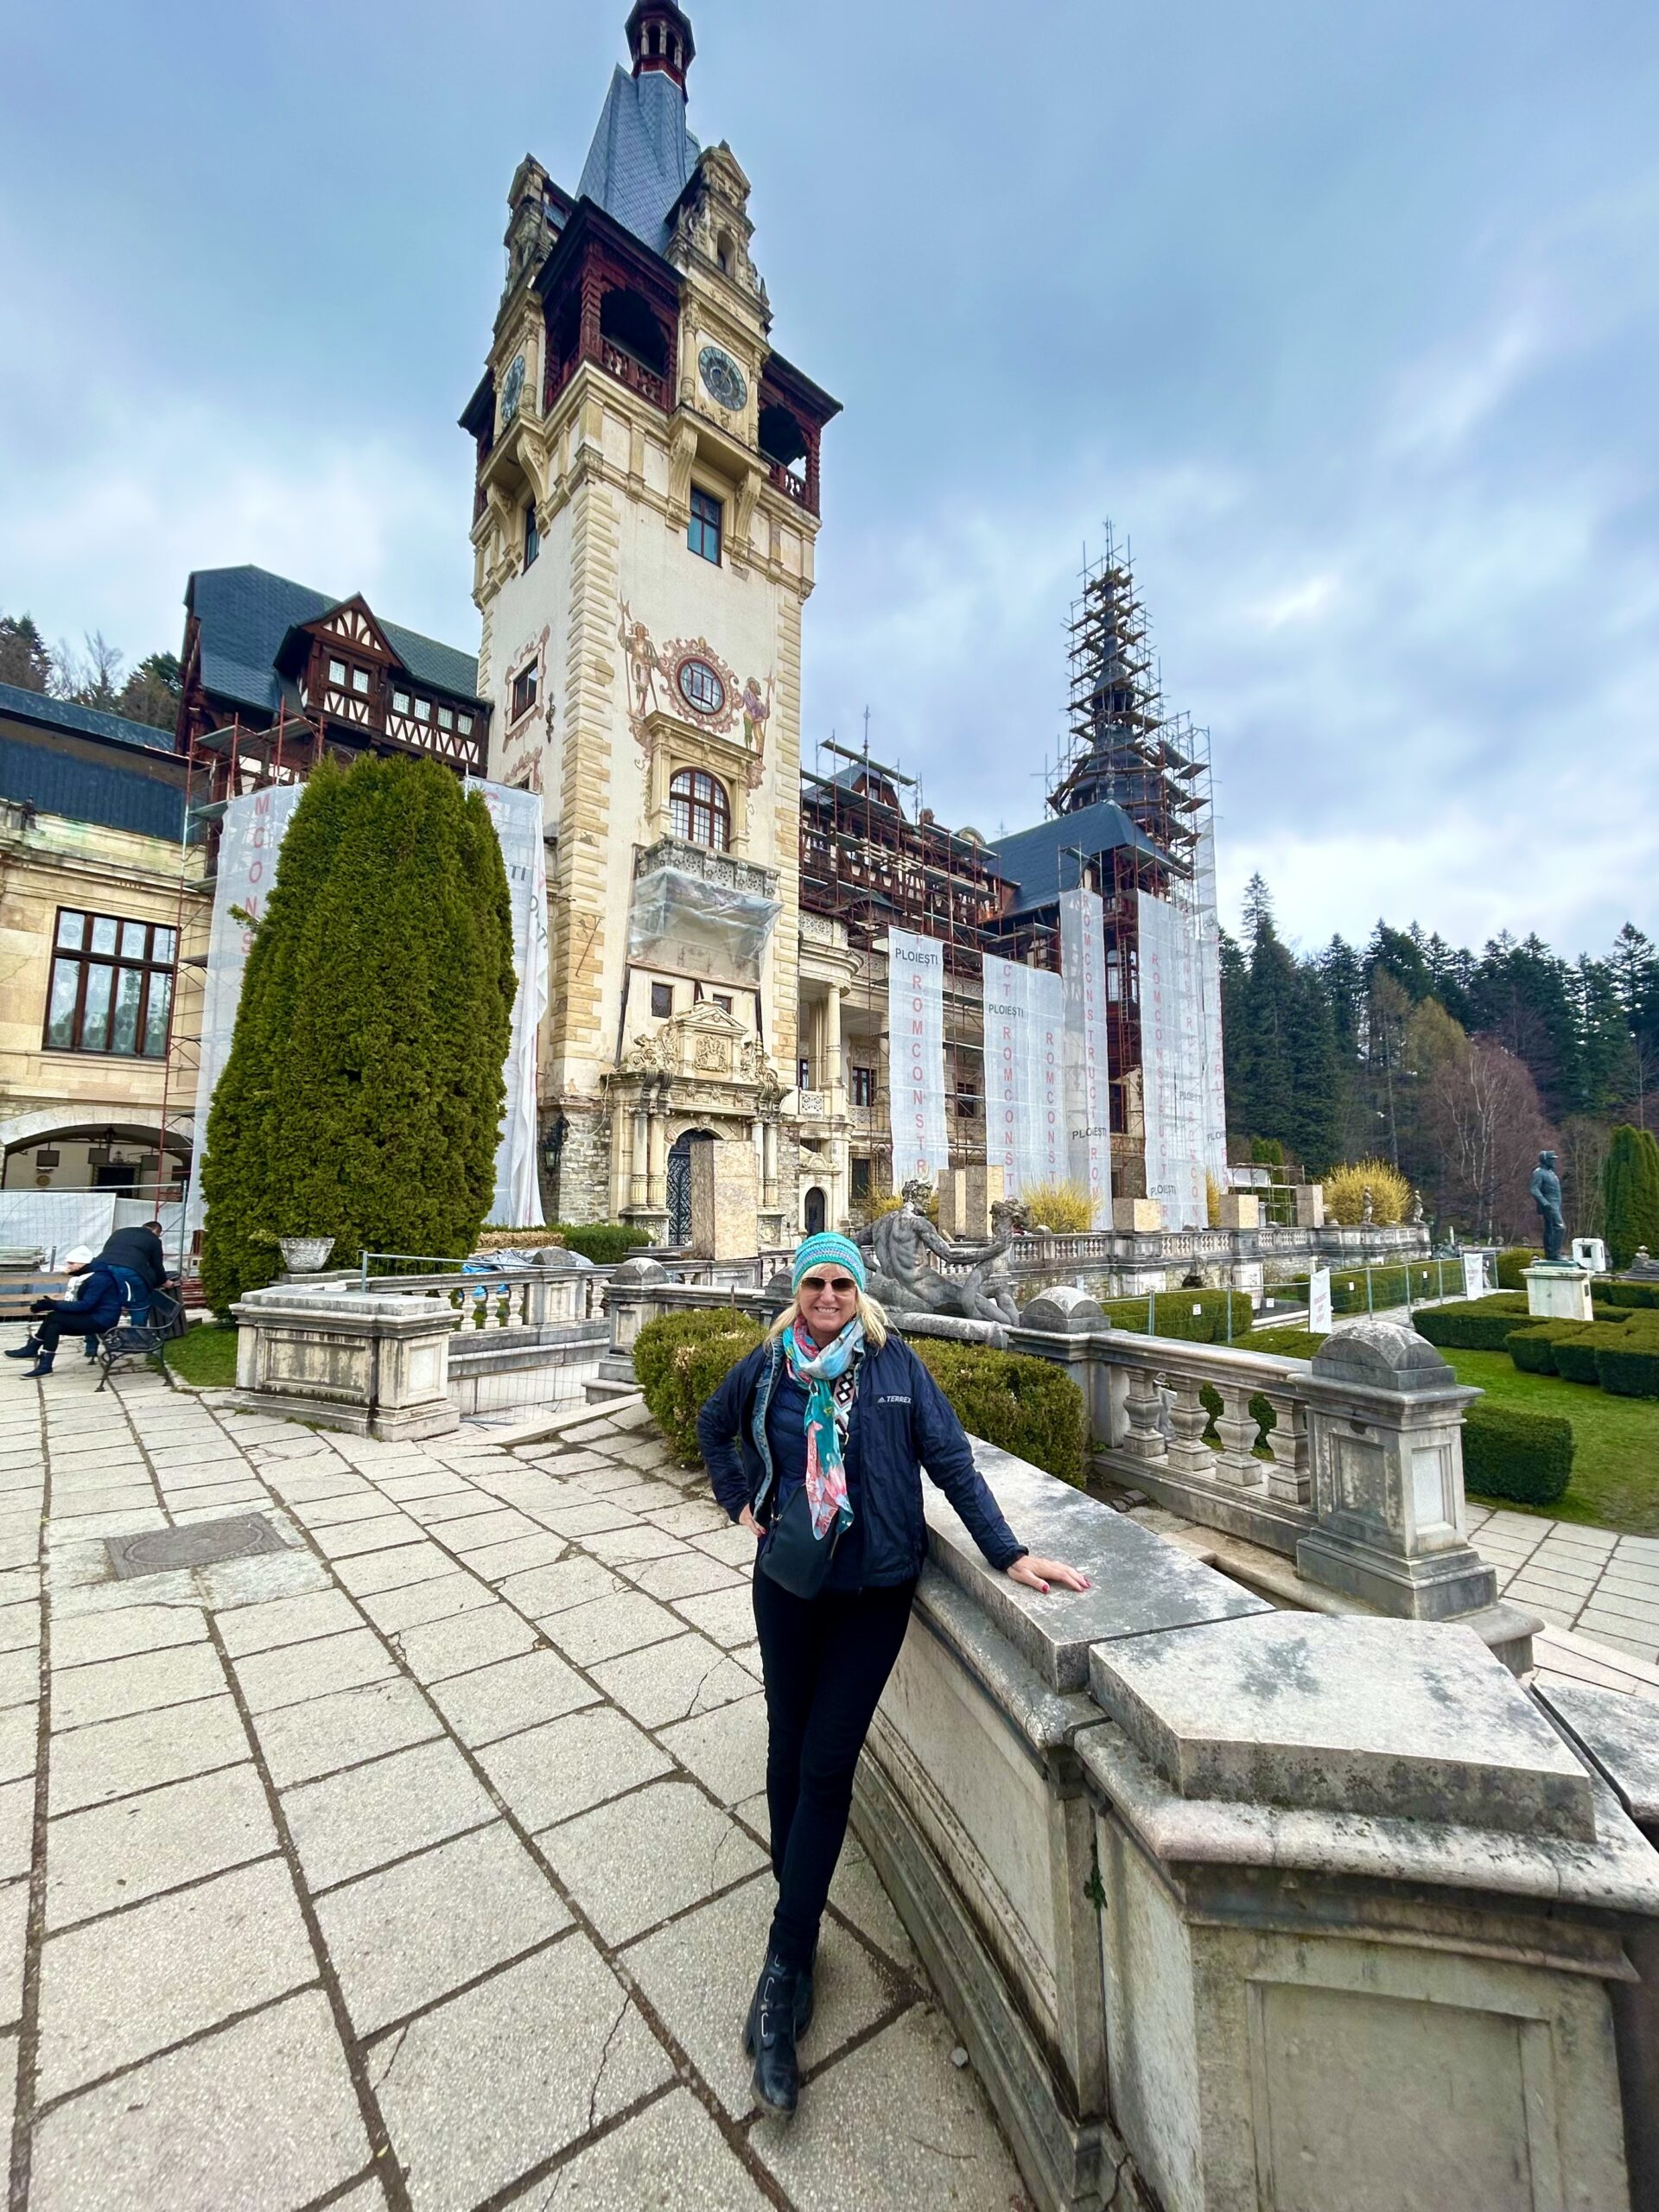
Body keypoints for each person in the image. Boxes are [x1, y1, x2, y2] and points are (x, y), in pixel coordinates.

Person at [696, 1230, 1090, 2120]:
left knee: (829, 1761)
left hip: (873, 1590)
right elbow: (714, 1429)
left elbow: (951, 1462)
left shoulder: (895, 1365)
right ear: (796, 1291)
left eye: (840, 1282)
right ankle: (796, 1918)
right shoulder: (767, 1367)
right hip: (789, 1585)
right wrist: (741, 1503)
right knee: (787, 1745)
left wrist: (1011, 1551)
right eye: (814, 1283)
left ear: (860, 1290)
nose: (827, 1295)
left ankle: (786, 1960)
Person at [6, 1246, 130, 1378]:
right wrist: (54, 1305)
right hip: (93, 1316)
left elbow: (86, 1305)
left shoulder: (99, 1279)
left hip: (102, 1320)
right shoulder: (91, 1275)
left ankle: (32, 1350)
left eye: (72, 1263)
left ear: (83, 1263)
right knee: (54, 1326)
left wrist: (54, 1305)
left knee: (54, 1317)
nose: (68, 1266)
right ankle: (44, 1365)